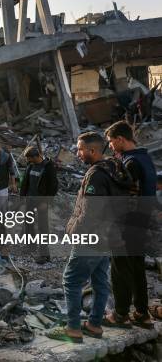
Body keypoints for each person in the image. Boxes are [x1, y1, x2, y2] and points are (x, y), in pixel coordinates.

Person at [46, 132, 130, 343]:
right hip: (108, 238)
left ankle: (73, 328)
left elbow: (90, 212)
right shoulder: (113, 169)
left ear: (92, 151)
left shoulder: (96, 175)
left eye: (80, 149)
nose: (77, 153)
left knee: (71, 280)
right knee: (100, 281)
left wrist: (72, 230)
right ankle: (94, 325)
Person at [104, 121, 157, 329]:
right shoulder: (145, 159)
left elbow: (124, 195)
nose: (110, 146)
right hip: (141, 222)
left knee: (120, 268)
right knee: (136, 267)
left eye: (111, 142)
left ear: (120, 139)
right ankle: (142, 314)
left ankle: (120, 314)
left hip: (127, 223)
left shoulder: (131, 163)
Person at [19, 146, 58, 264]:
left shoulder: (48, 167)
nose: (29, 161)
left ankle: (44, 254)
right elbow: (25, 181)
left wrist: (46, 202)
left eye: (30, 159)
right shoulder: (30, 165)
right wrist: (22, 196)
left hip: (41, 202)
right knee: (28, 224)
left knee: (42, 228)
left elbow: (53, 187)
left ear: (37, 156)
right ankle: (31, 247)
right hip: (30, 200)